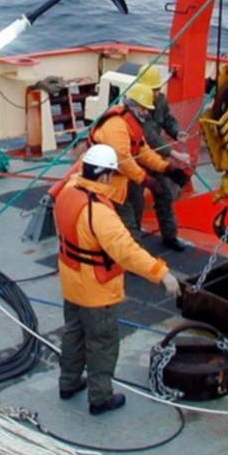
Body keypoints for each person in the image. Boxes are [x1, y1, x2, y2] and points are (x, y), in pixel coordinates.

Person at [55, 144, 182, 415]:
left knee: (74, 333)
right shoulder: (99, 212)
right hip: (96, 289)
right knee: (102, 343)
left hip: (71, 281)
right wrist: (162, 274)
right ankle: (100, 398)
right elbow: (127, 252)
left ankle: (68, 382)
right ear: (104, 176)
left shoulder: (68, 191)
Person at [88, 83, 190, 250]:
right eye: (144, 109)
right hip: (108, 181)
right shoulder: (116, 126)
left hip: (125, 177)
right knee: (127, 222)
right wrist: (147, 180)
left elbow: (143, 150)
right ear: (134, 106)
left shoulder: (132, 123)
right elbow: (123, 159)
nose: (147, 113)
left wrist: (167, 169)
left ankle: (136, 248)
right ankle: (130, 254)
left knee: (136, 209)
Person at [135, 65, 192, 248]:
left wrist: (177, 132)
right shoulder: (136, 107)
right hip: (136, 159)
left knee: (165, 194)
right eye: (154, 90)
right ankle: (133, 243)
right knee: (134, 202)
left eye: (158, 89)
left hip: (155, 157)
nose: (157, 93)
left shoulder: (160, 101)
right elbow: (150, 135)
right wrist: (173, 153)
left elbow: (167, 119)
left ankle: (170, 237)